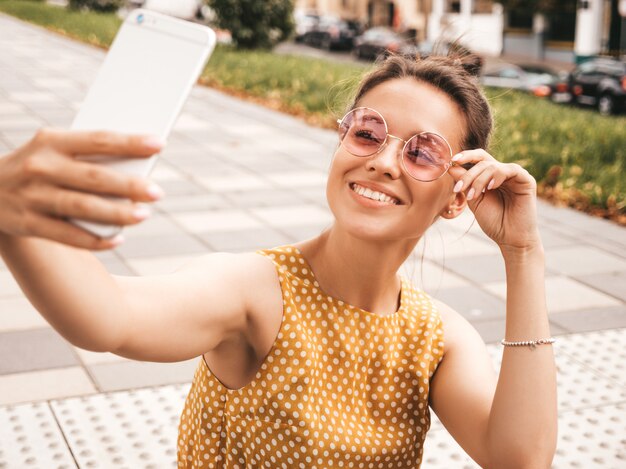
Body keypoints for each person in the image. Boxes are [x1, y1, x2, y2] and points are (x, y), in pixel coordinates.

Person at [0, 52, 557, 468]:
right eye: (367, 133)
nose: (384, 162)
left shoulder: (436, 336)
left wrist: (523, 252)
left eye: (421, 151)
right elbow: (110, 317)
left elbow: (520, 459)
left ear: (457, 196)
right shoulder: (255, 290)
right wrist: (11, 213)